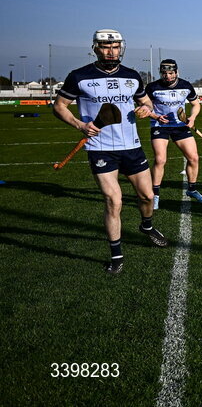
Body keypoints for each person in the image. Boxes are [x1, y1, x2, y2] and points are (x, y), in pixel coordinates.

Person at [52, 29, 168, 274]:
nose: (111, 52)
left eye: (115, 47)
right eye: (106, 47)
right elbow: (59, 106)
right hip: (100, 149)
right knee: (113, 201)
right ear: (95, 48)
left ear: (121, 48)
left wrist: (145, 109)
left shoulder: (132, 76)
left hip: (132, 147)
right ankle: (117, 255)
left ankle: (146, 226)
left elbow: (145, 101)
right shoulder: (79, 76)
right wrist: (80, 125)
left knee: (147, 197)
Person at [146, 59, 202, 208]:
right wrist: (155, 116)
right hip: (159, 126)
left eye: (171, 73)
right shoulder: (152, 87)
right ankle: (155, 195)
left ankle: (192, 190)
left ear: (176, 72)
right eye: (164, 73)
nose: (168, 76)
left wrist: (192, 118)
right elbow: (144, 107)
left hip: (180, 126)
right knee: (160, 160)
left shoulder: (185, 86)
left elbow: (195, 104)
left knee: (193, 158)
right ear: (160, 73)